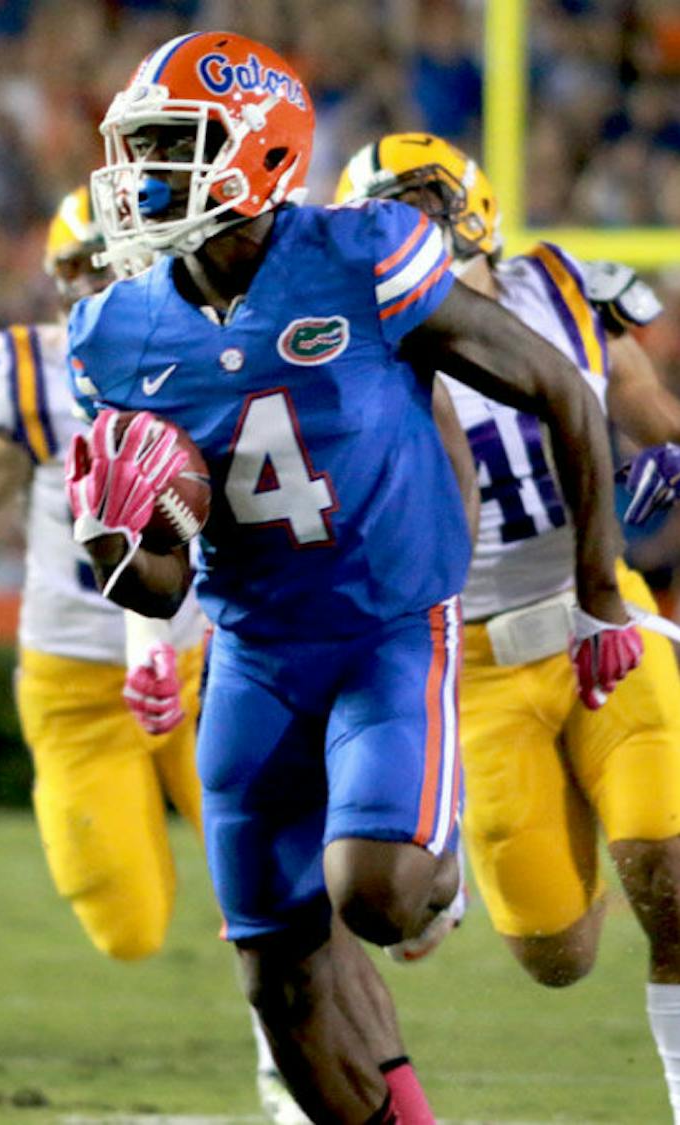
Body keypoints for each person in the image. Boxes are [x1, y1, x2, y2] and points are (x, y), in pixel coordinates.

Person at [65, 32, 639, 1124]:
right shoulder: (116, 328)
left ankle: (438, 849)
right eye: (137, 149)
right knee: (276, 974)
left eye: (170, 147)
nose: (139, 179)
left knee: (374, 895)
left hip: (389, 627)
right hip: (255, 654)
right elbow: (159, 585)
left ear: (262, 154)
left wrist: (602, 590)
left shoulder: (365, 253)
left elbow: (561, 387)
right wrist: (115, 546)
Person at [0, 186, 308, 1123]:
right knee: (128, 924)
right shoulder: (39, 376)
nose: (97, 283)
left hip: (211, 666)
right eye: (77, 269)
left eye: (112, 260)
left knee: (278, 874)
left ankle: (291, 1067)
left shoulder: (225, 347)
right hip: (79, 686)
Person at [337, 131, 680, 1120]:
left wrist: (664, 452)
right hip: (477, 663)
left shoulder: (566, 287)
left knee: (668, 862)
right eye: (391, 211)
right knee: (558, 954)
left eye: (426, 202)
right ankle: (447, 890)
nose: (417, 226)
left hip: (599, 619)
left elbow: (645, 401)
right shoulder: (360, 347)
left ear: (471, 203)